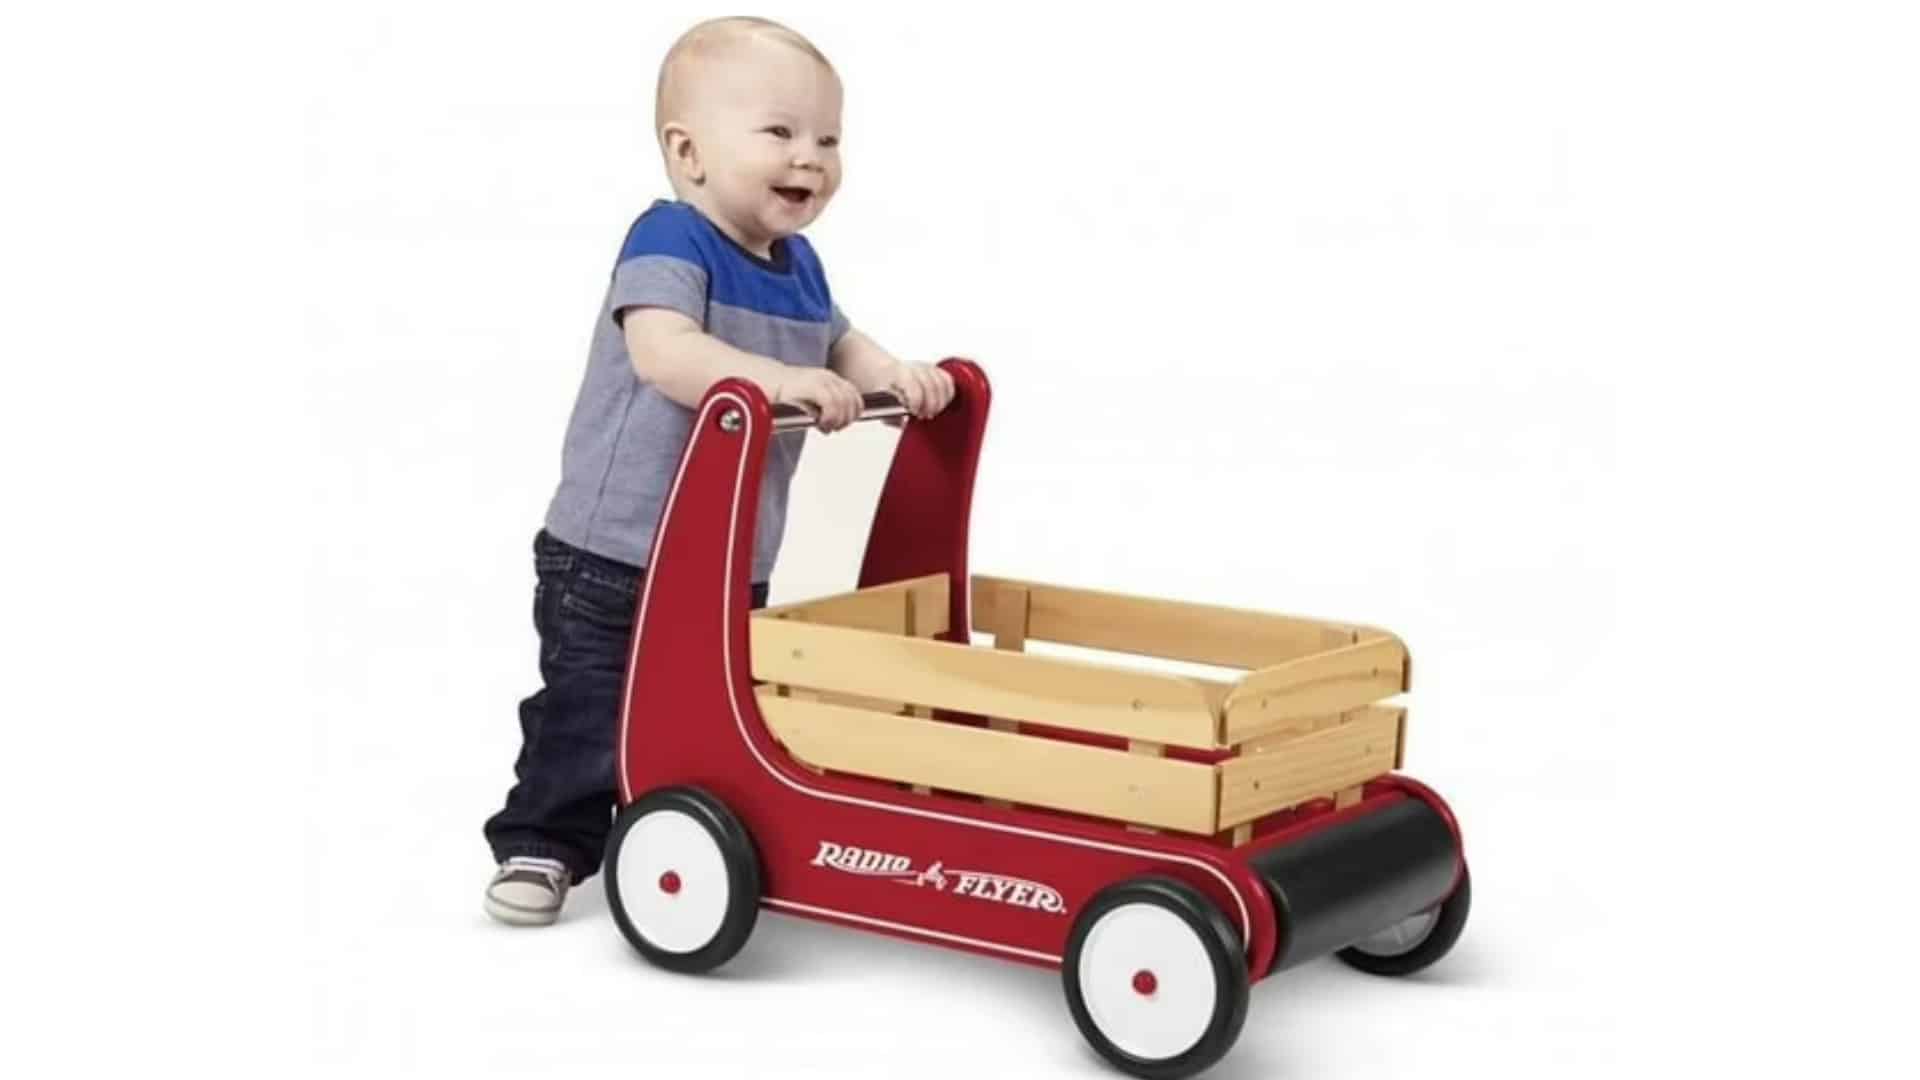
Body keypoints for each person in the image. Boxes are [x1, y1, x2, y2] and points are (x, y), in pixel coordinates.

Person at [481, 16, 956, 926]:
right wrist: (776, 380)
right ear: (688, 152)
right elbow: (664, 352)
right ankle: (545, 841)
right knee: (592, 704)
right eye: (780, 133)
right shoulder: (669, 238)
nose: (810, 158)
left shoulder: (798, 264)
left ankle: (681, 830)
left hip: (732, 554)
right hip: (617, 548)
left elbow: (840, 342)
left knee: (712, 709)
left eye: (828, 139)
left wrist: (890, 374)